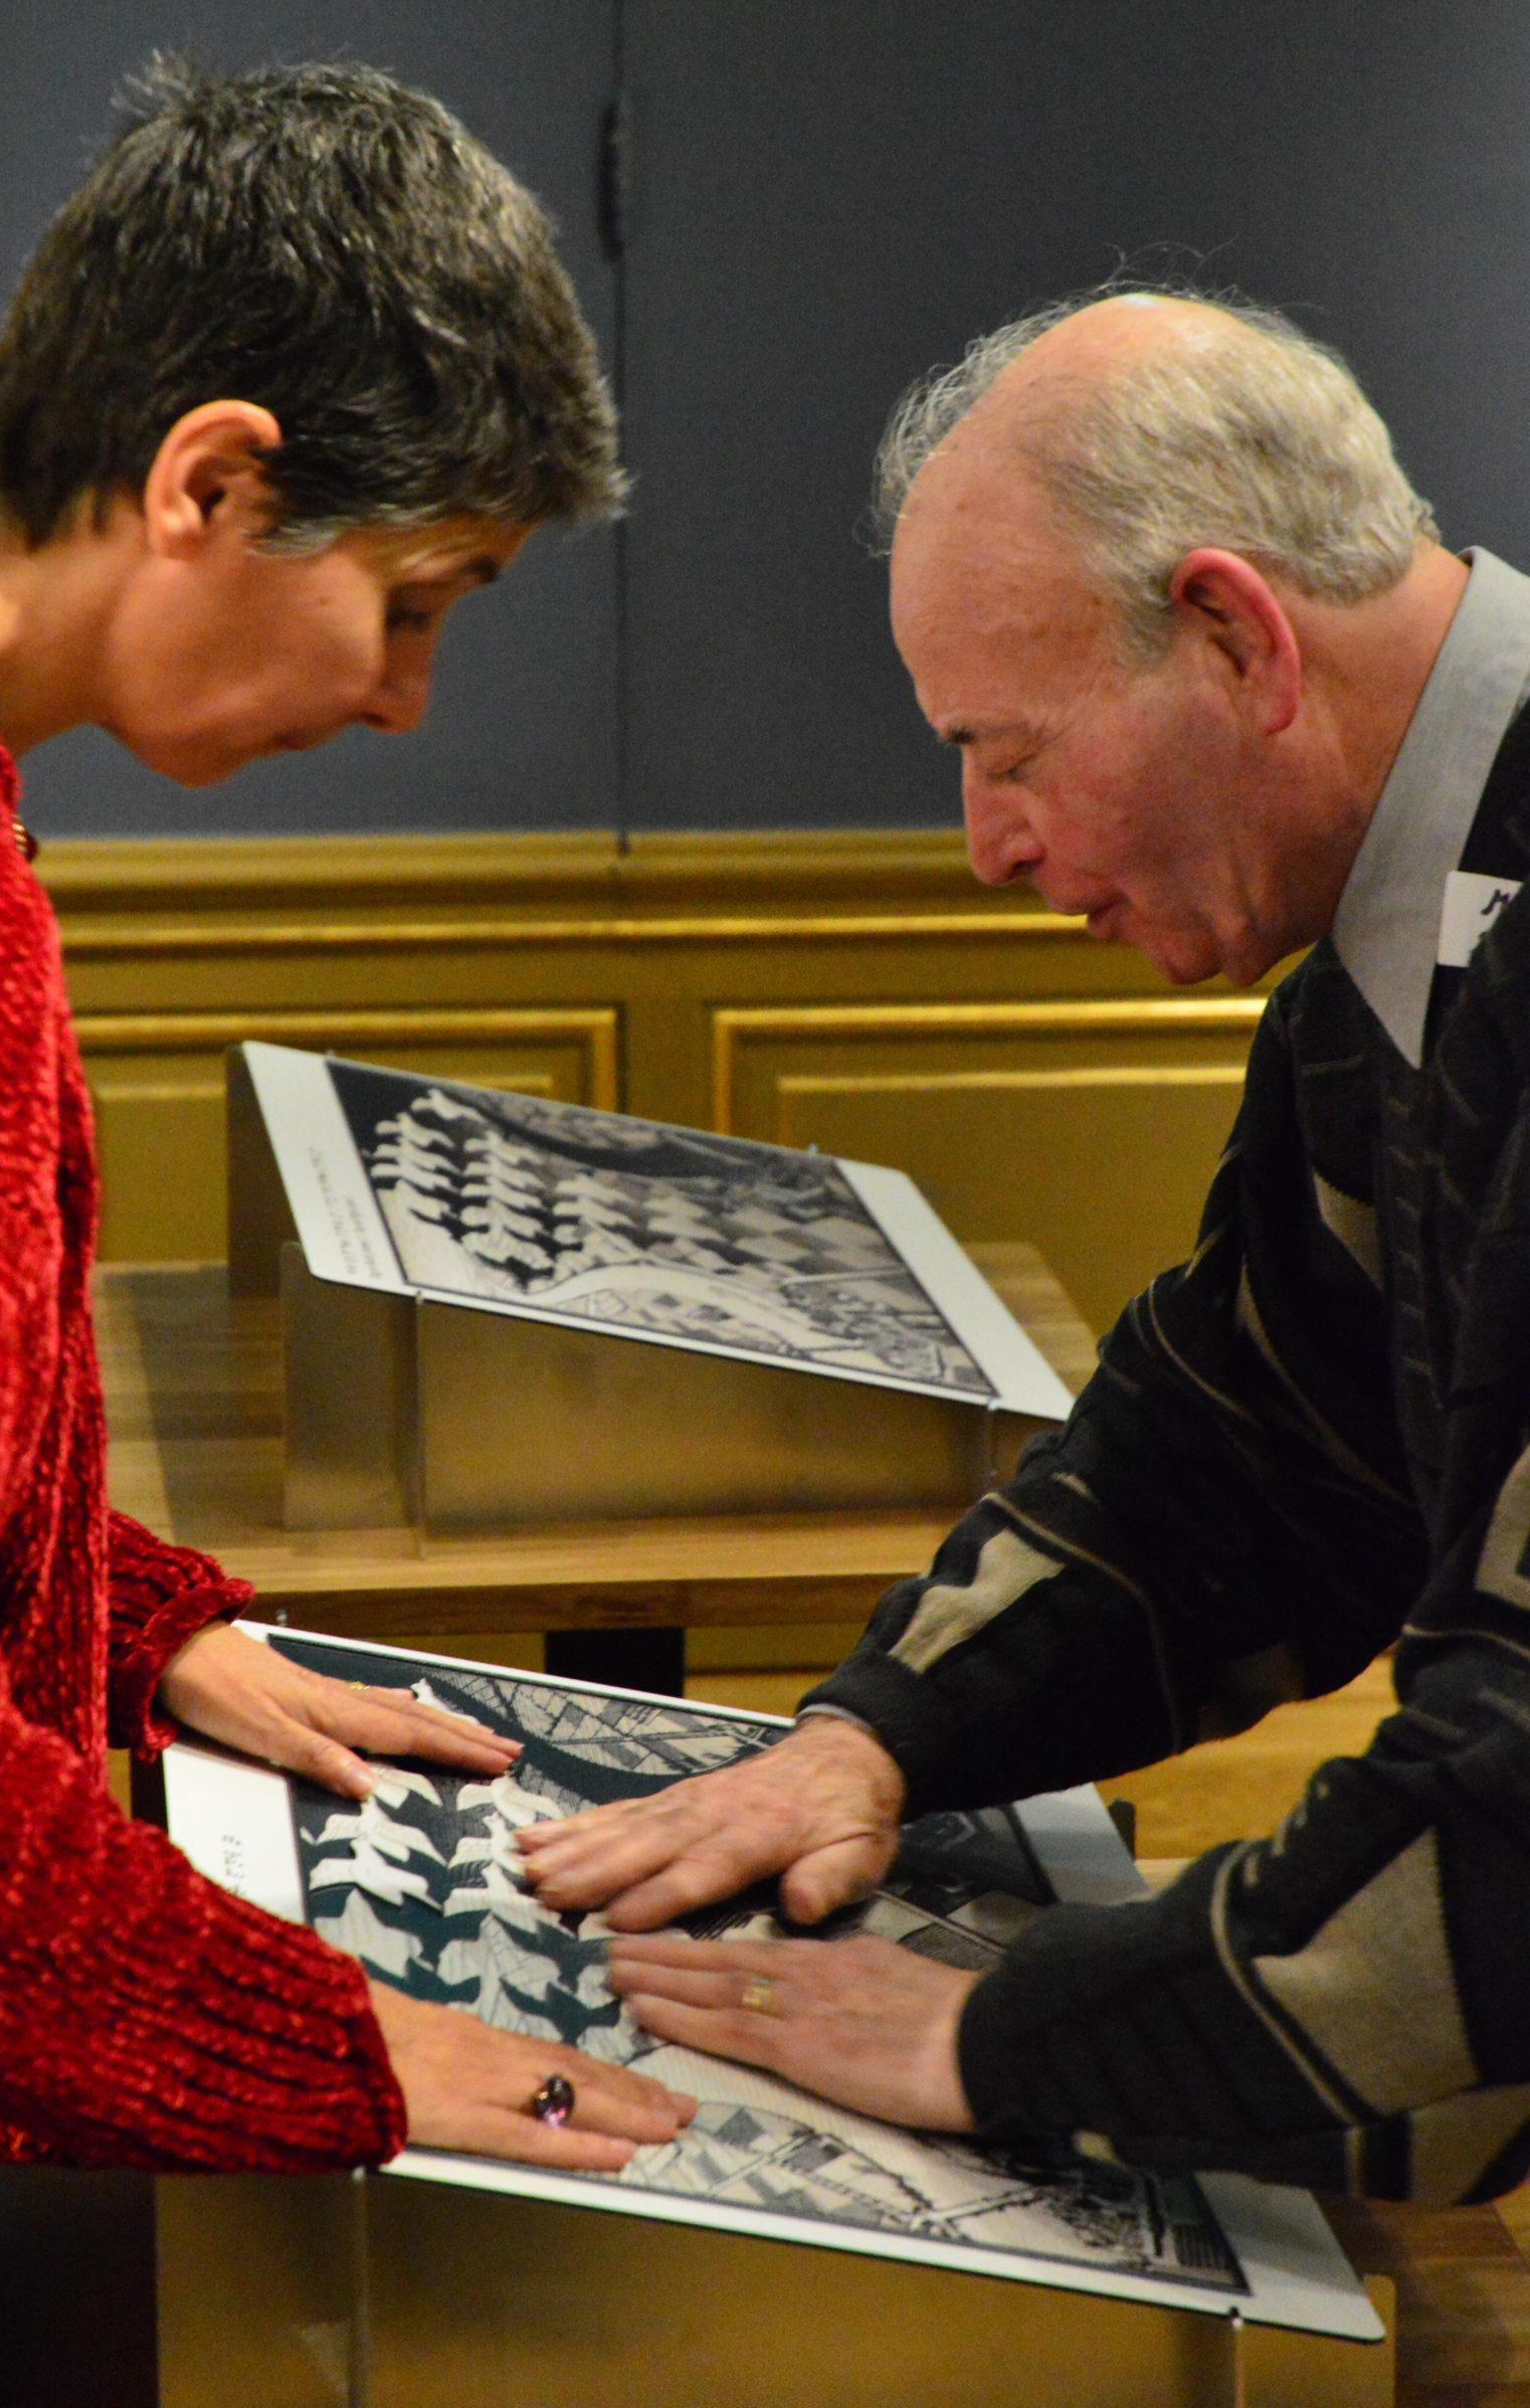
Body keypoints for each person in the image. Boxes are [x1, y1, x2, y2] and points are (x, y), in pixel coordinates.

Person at [0, 57, 691, 2406]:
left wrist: (134, 1625)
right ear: (209, 479)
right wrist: (320, 2040)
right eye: (417, 601)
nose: (410, 703)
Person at [519, 285, 1530, 2209]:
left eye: (1010, 749)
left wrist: (995, 2033)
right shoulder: (1405, 938)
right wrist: (879, 1736)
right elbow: (1248, 1446)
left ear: (1236, 637)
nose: (984, 840)